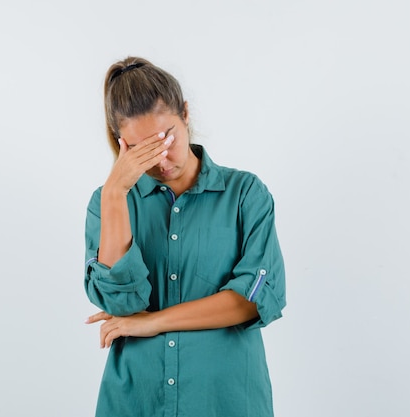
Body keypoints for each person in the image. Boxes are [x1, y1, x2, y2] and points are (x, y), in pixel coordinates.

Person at [83, 56, 286, 417]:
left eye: (166, 138)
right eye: (142, 149)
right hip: (136, 401)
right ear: (123, 145)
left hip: (226, 401)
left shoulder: (245, 194)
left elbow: (251, 301)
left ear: (186, 114)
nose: (160, 160)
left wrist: (153, 321)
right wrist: (116, 193)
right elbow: (122, 305)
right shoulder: (107, 204)